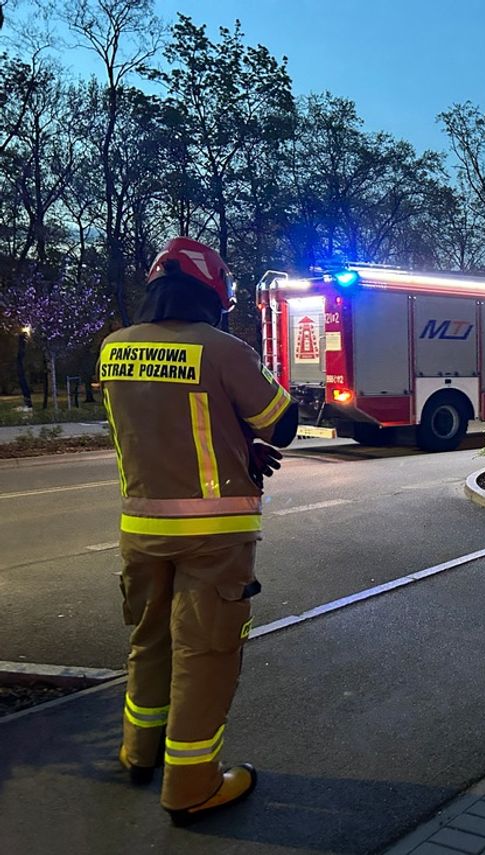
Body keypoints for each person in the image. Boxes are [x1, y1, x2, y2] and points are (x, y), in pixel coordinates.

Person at [100, 237, 298, 825]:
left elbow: (166, 431)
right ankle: (191, 787)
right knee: (205, 653)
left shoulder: (114, 349)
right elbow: (281, 424)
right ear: (213, 294)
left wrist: (233, 444)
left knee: (150, 639)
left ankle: (139, 753)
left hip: (140, 527)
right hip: (215, 536)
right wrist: (247, 440)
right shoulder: (222, 348)